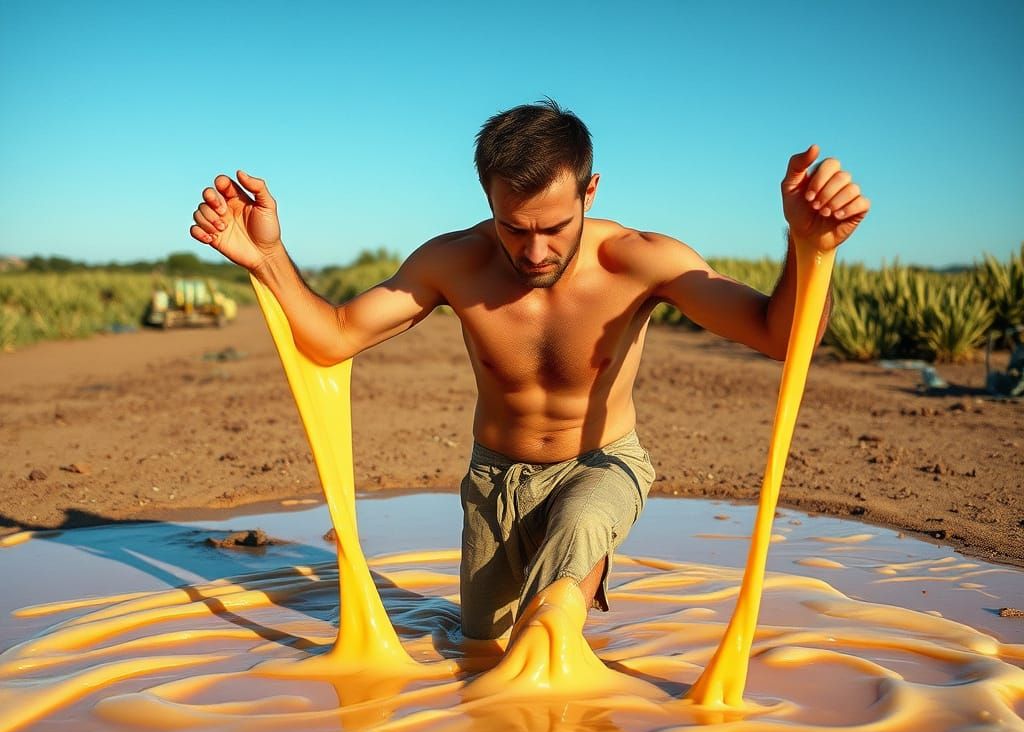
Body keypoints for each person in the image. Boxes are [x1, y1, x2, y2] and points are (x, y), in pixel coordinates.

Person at [190, 99, 868, 649]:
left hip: (603, 463)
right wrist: (266, 258)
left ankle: (577, 587)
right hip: (494, 480)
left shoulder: (643, 260)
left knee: (556, 597)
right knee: (483, 647)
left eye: (555, 226)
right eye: (514, 228)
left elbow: (782, 337)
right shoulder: (453, 262)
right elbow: (333, 339)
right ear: (487, 201)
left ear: (591, 190)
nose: (535, 250)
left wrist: (808, 248)